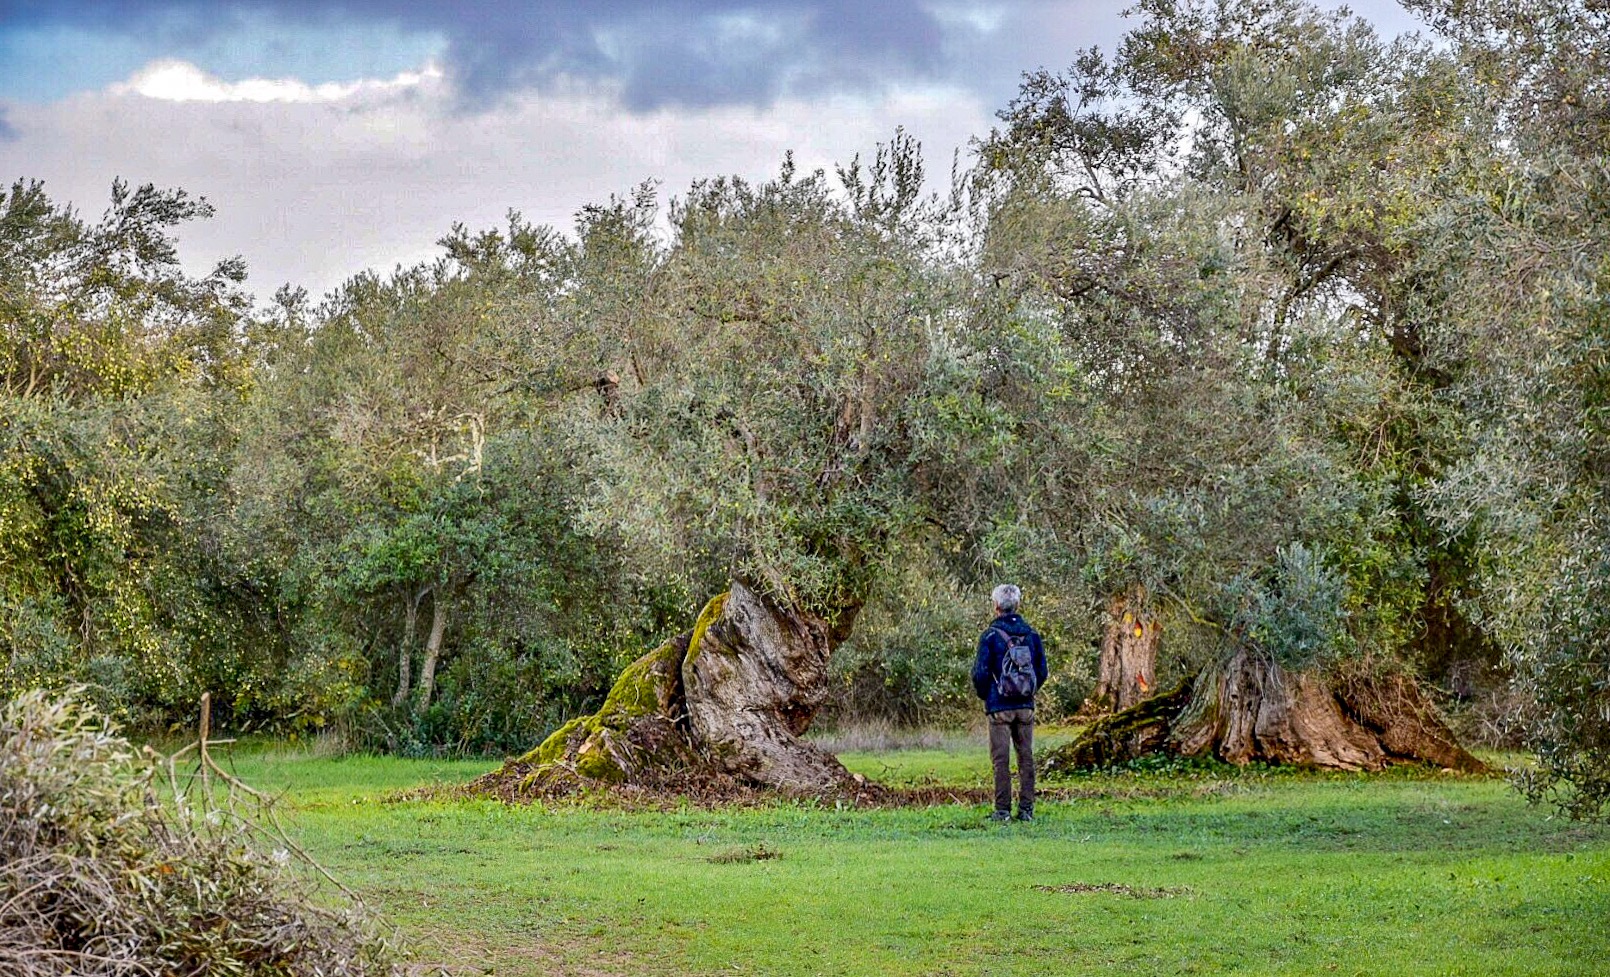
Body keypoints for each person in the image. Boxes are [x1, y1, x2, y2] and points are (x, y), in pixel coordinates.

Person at [972, 583, 1048, 822]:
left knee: (1001, 760)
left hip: (999, 707)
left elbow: (980, 674)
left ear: (996, 606)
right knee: (1026, 758)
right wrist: (1028, 691)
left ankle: (1002, 810)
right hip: (1025, 707)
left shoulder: (990, 636)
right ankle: (1026, 810)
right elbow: (1042, 671)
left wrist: (988, 696)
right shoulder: (1031, 635)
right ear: (1017, 604)